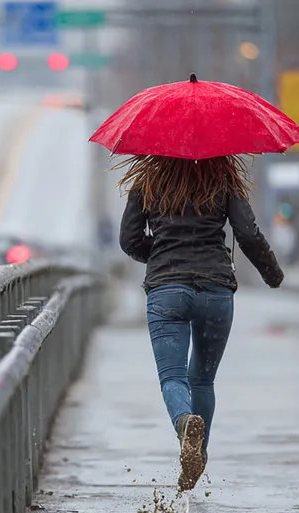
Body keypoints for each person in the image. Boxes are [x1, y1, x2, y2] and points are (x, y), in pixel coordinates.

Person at [117, 154, 284, 493]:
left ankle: (184, 425)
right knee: (203, 381)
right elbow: (248, 235)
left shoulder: (149, 180)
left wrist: (164, 251)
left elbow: (129, 239)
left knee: (173, 377)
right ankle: (198, 453)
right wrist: (272, 273)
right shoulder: (223, 179)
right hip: (216, 290)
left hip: (167, 290)